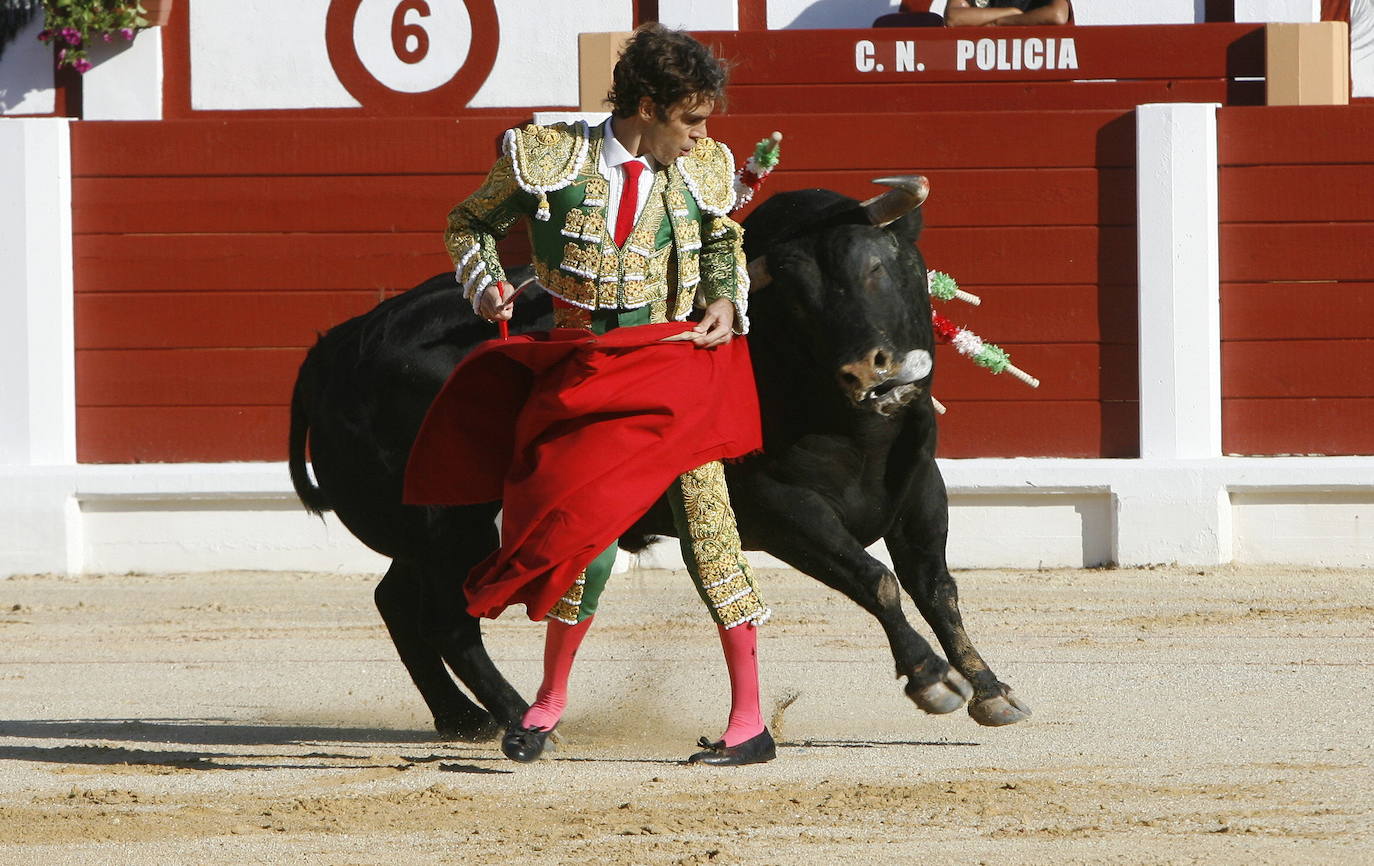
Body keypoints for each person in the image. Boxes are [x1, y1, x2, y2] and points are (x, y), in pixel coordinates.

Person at [441, 24, 774, 767]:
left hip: (673, 367)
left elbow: (724, 240)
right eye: (690, 119)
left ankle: (750, 719)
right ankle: (549, 702)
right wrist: (485, 281)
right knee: (578, 538)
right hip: (584, 373)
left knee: (710, 532)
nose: (702, 136)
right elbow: (468, 223)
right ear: (647, 109)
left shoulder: (702, 166)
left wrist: (725, 298)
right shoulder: (550, 155)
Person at [944, 0, 1073, 27]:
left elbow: (1057, 15)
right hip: (981, 74)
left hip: (1036, 75)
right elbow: (953, 17)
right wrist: (1011, 12)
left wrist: (1002, 22)